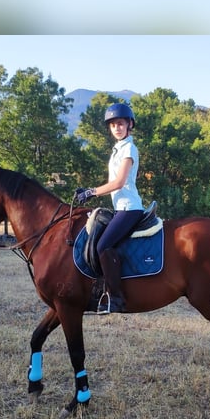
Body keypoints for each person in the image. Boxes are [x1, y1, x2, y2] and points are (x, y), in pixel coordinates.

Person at [75, 103, 145, 314]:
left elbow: (119, 182)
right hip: (120, 207)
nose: (117, 128)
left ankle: (116, 298)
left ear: (129, 125)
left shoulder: (129, 149)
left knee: (103, 246)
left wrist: (90, 192)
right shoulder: (117, 150)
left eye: (121, 124)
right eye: (113, 125)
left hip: (130, 208)